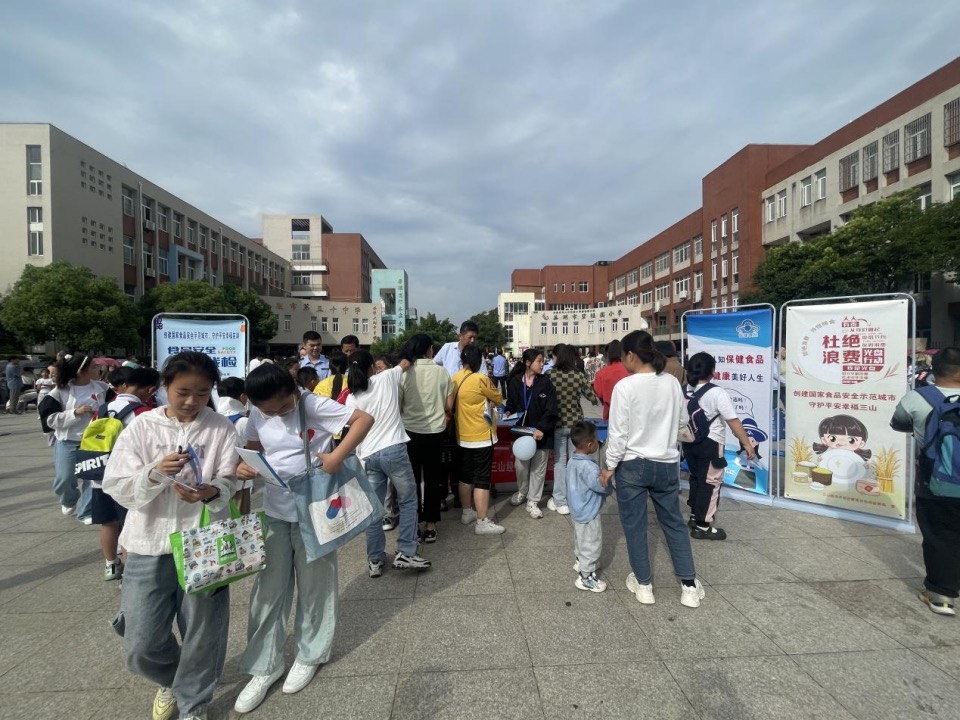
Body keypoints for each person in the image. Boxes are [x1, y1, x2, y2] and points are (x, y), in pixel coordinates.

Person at [102, 352, 240, 720]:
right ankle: (174, 679)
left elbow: (230, 478)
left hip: (203, 541)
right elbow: (116, 485)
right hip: (148, 543)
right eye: (183, 392)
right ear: (164, 387)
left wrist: (209, 491)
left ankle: (194, 704)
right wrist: (154, 472)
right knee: (141, 642)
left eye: (202, 392)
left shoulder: (221, 427)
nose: (192, 401)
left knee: (202, 631)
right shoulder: (142, 427)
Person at [233, 363, 373, 714]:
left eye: (283, 406)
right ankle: (265, 666)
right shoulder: (257, 411)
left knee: (315, 585)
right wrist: (246, 466)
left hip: (314, 510)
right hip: (276, 511)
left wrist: (337, 456)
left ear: (293, 390)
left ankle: (310, 654)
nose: (278, 413)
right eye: (269, 410)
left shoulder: (310, 404)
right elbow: (252, 447)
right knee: (268, 591)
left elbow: (363, 420)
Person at [601, 331, 704, 609]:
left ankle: (644, 584)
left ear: (631, 356)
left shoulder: (625, 387)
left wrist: (609, 466)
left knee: (635, 526)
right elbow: (683, 420)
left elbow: (618, 433)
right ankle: (689, 586)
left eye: (624, 357)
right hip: (667, 463)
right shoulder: (671, 382)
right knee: (673, 523)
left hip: (632, 465)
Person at [346, 351, 432, 576]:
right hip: (394, 449)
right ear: (371, 367)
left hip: (368, 456)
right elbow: (405, 361)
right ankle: (406, 551)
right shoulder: (385, 378)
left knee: (374, 510)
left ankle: (375, 559)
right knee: (408, 499)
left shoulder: (351, 397)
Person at [890, 347, 960, 617]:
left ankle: (941, 595)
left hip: (936, 483)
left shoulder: (918, 397)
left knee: (940, 536)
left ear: (934, 369)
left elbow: (898, 423)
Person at [681, 352, 755, 540]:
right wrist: (747, 444)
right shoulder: (716, 392)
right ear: (712, 371)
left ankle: (694, 515)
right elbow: (733, 421)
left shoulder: (683, 390)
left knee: (696, 478)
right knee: (711, 483)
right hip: (711, 443)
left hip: (689, 442)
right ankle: (703, 526)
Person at [96, 367, 159, 581]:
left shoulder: (103, 408)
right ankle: (132, 575)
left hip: (100, 475)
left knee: (108, 522)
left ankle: (110, 565)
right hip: (129, 478)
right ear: (150, 390)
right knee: (130, 524)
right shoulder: (142, 413)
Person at [39, 354, 109, 523]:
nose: (98, 369)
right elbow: (49, 420)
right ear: (81, 371)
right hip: (68, 440)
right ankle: (69, 500)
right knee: (65, 478)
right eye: (93, 367)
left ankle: (86, 511)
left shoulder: (103, 388)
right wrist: (74, 413)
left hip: (94, 441)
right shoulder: (59, 392)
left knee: (91, 478)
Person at [400, 334, 453, 543]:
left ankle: (413, 525)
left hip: (410, 432)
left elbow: (399, 404)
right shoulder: (442, 372)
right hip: (435, 432)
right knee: (432, 479)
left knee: (410, 481)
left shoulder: (404, 373)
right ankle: (431, 526)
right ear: (429, 349)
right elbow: (449, 406)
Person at [447, 345, 505, 534]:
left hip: (462, 435)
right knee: (482, 478)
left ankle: (467, 512)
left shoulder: (454, 378)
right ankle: (482, 521)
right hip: (481, 436)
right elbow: (498, 399)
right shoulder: (481, 379)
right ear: (478, 361)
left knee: (465, 476)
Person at [504, 349, 559, 518]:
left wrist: (542, 428)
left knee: (538, 469)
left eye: (543, 361)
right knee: (520, 467)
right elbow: (511, 404)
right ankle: (522, 491)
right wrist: (507, 412)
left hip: (541, 434)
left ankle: (533, 501)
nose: (542, 364)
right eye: (539, 361)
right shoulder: (514, 382)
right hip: (522, 434)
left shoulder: (545, 383)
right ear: (528, 363)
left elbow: (552, 409)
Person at [547, 344, 597, 515]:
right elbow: (592, 397)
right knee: (574, 462)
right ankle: (572, 497)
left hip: (558, 425)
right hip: (576, 426)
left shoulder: (550, 375)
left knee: (559, 463)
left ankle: (560, 500)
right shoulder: (579, 375)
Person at [567, 420, 613, 592]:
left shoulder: (572, 460)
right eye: (596, 439)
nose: (598, 442)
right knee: (592, 543)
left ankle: (580, 561)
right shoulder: (589, 467)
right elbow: (600, 485)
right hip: (589, 510)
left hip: (577, 508)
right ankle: (586, 577)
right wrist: (608, 485)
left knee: (581, 538)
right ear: (589, 444)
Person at [217, 376, 252, 513]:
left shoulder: (214, 418)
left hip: (216, 484)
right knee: (240, 524)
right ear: (242, 397)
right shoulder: (243, 422)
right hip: (239, 483)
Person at [593, 340, 630, 421]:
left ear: (607, 354)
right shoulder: (630, 370)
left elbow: (599, 394)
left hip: (610, 416)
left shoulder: (601, 373)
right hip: (631, 416)